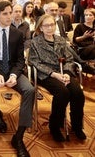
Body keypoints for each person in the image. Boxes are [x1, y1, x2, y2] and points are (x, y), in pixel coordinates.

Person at [0, 1, 34, 157]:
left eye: (10, 12)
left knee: (29, 90)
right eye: (5, 13)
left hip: (13, 70)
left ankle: (19, 137)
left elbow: (20, 59)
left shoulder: (17, 34)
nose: (9, 16)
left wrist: (13, 75)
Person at [28, 14, 86, 142]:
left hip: (63, 72)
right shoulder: (35, 43)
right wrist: (54, 74)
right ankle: (55, 126)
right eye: (46, 25)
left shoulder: (60, 40)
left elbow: (69, 59)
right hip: (47, 75)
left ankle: (77, 126)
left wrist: (66, 73)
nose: (50, 28)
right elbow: (34, 62)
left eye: (52, 25)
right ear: (40, 28)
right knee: (62, 93)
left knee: (77, 92)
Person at [46, 2, 95, 74]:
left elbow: (64, 35)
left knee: (66, 45)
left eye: (56, 10)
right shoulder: (43, 21)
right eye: (52, 10)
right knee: (64, 44)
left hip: (64, 44)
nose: (54, 12)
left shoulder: (59, 22)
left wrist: (68, 41)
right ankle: (82, 64)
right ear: (46, 11)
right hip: (51, 44)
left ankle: (75, 68)